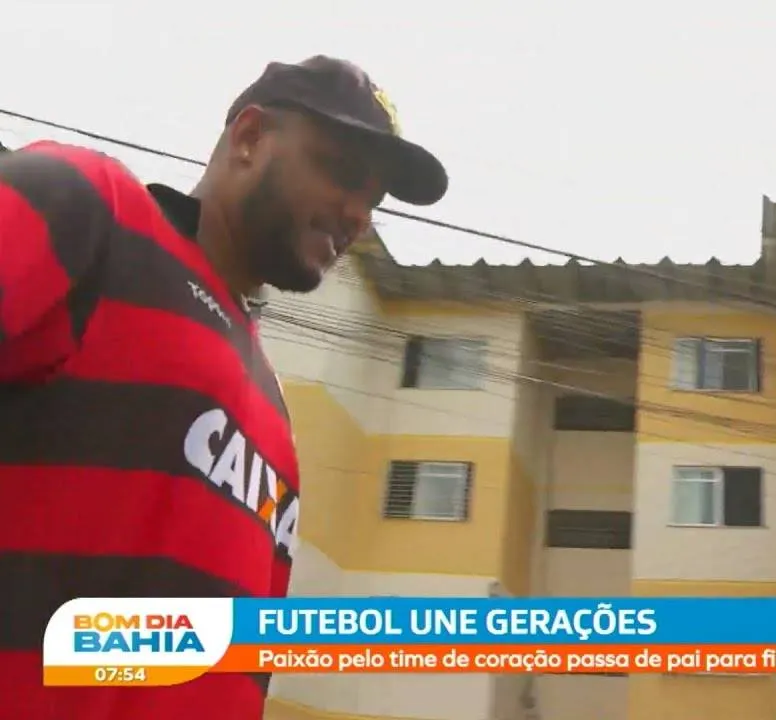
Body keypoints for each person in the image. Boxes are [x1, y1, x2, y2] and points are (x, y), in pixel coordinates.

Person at [0, 56, 448, 719]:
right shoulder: (90, 208)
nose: (359, 215)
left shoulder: (275, 416)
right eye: (343, 173)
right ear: (248, 139)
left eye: (374, 201)